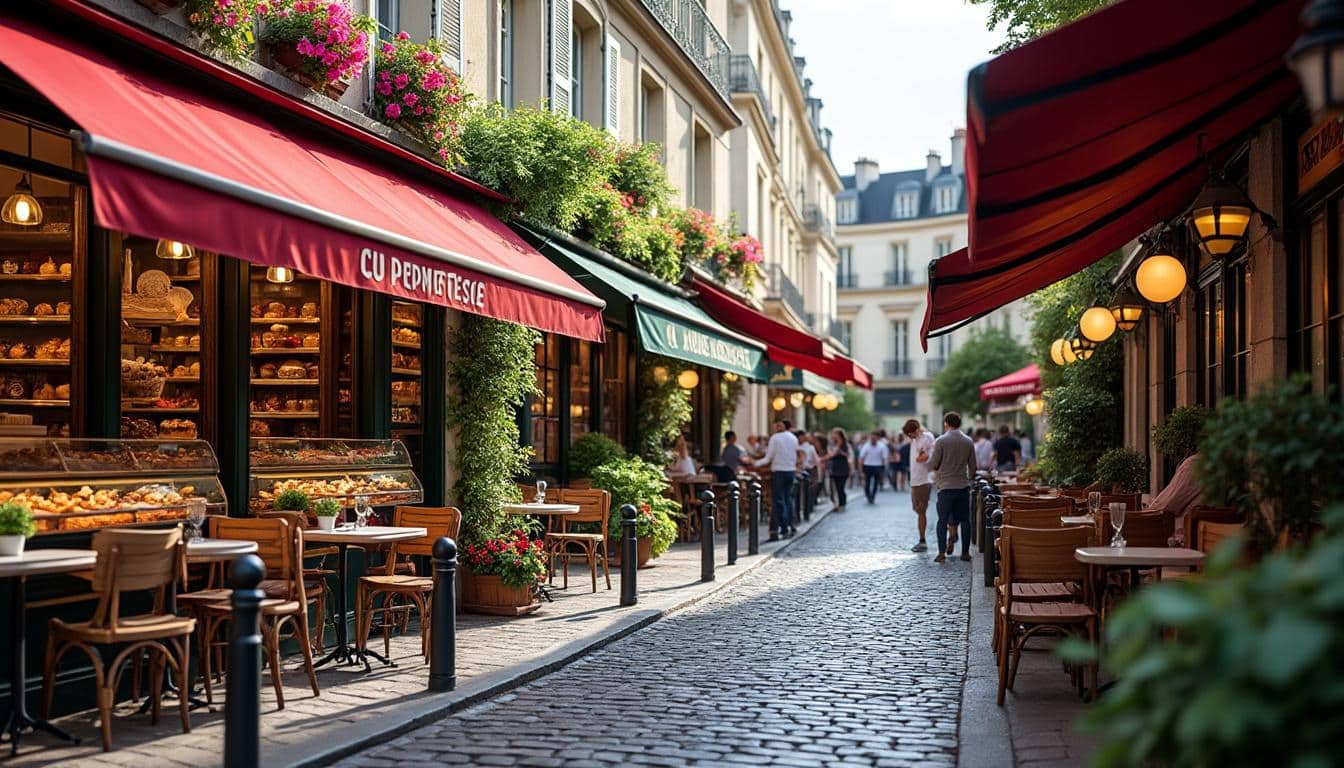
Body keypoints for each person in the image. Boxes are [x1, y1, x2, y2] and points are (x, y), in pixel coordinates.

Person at [928, 411, 975, 563]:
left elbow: (933, 464)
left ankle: (941, 553)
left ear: (946, 423)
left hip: (945, 487)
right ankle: (965, 553)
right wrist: (969, 478)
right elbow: (973, 467)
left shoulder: (940, 441)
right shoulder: (968, 441)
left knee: (942, 520)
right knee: (965, 520)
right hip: (962, 486)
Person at [755, 420, 800, 540]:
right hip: (790, 471)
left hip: (779, 472)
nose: (776, 427)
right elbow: (796, 455)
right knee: (788, 499)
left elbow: (768, 458)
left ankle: (784, 528)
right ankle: (792, 525)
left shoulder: (775, 438)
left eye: (777, 425)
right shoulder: (793, 438)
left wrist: (755, 463)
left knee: (779, 500)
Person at [903, 418, 937, 553]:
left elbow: (931, 454)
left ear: (916, 430)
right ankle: (922, 539)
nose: (909, 436)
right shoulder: (915, 440)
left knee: (921, 511)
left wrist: (925, 456)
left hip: (924, 480)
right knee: (917, 510)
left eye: (911, 433)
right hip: (915, 480)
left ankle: (922, 541)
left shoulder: (926, 437)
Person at [818, 427, 851, 512]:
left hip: (843, 469)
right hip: (833, 468)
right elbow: (830, 454)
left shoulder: (845, 445)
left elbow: (837, 454)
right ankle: (835, 503)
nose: (833, 436)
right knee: (833, 488)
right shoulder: (832, 444)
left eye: (835, 434)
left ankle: (842, 504)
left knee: (840, 488)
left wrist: (822, 459)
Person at [858, 432, 889, 505]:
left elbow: (885, 458)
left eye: (874, 438)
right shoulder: (866, 446)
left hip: (878, 466)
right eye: (872, 438)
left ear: (877, 438)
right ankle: (868, 495)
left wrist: (884, 468)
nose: (873, 439)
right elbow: (861, 458)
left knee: (876, 483)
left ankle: (873, 496)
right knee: (867, 483)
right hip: (867, 466)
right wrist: (861, 469)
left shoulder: (882, 446)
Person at [797, 430, 820, 523]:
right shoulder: (799, 447)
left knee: (805, 493)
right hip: (802, 471)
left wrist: (811, 466)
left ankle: (804, 513)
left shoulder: (809, 448)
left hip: (805, 471)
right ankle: (803, 514)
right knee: (803, 493)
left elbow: (816, 461)